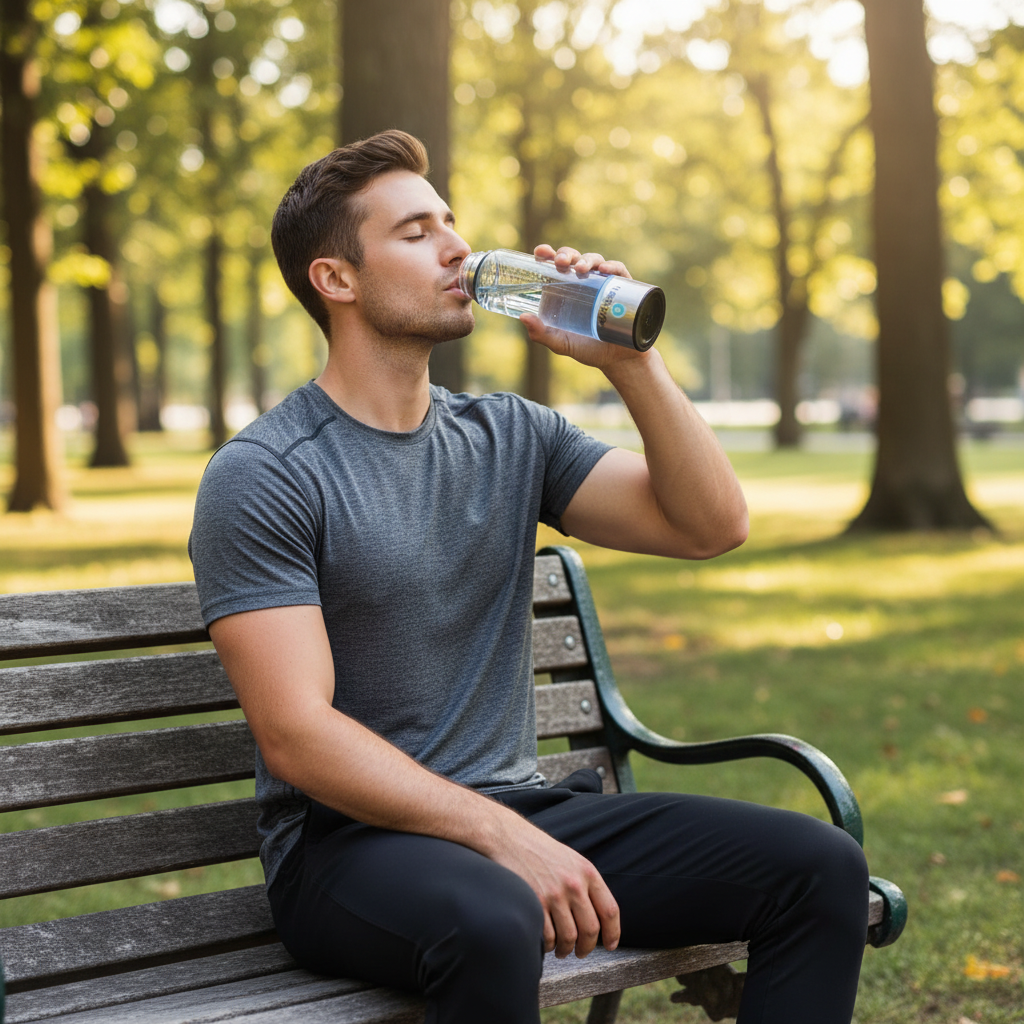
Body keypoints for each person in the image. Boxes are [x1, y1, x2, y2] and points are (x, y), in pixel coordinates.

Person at [189, 130, 869, 1024]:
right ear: (337, 280)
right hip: (349, 850)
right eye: (414, 231)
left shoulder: (510, 434)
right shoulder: (269, 472)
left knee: (817, 866)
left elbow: (710, 524)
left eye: (451, 222)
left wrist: (632, 363)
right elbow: (298, 735)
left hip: (518, 815)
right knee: (497, 916)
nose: (457, 248)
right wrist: (502, 836)